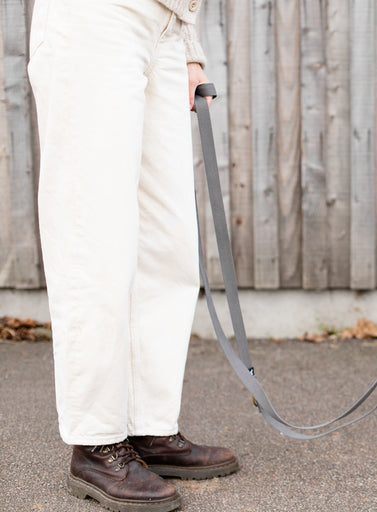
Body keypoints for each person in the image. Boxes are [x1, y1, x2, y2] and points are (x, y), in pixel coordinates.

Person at [27, 1, 238, 510]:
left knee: (166, 242)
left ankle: (149, 428)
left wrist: (188, 49)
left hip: (164, 26)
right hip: (95, 17)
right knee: (93, 233)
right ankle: (97, 441)